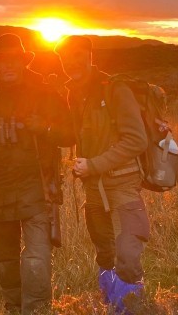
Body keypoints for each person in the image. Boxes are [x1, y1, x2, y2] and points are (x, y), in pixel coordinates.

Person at [0, 34, 72, 314]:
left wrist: (44, 127)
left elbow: (70, 134)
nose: (8, 66)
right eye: (3, 62)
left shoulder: (46, 94)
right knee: (5, 262)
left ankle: (35, 311)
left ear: (23, 63)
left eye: (14, 60)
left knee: (37, 261)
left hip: (37, 189)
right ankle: (13, 309)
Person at [54, 35, 150, 314]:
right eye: (65, 58)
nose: (72, 63)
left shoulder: (115, 89)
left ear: (90, 56)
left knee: (128, 254)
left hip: (121, 183)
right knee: (104, 251)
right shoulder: (75, 93)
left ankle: (131, 307)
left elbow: (136, 140)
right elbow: (73, 133)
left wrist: (94, 164)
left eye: (78, 56)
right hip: (93, 187)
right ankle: (110, 303)